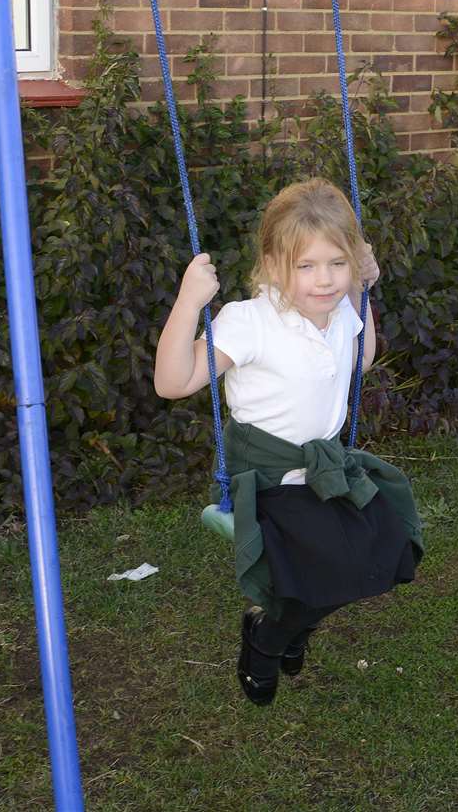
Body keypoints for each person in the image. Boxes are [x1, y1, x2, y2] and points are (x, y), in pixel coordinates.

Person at [154, 178, 422, 704]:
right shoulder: (249, 323)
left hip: (325, 471)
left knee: (378, 557)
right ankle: (267, 641)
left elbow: (359, 360)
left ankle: (291, 627)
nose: (324, 280)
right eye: (307, 266)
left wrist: (364, 294)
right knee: (323, 573)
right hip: (271, 481)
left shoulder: (339, 308)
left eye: (337, 264)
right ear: (275, 262)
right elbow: (173, 382)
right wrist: (189, 303)